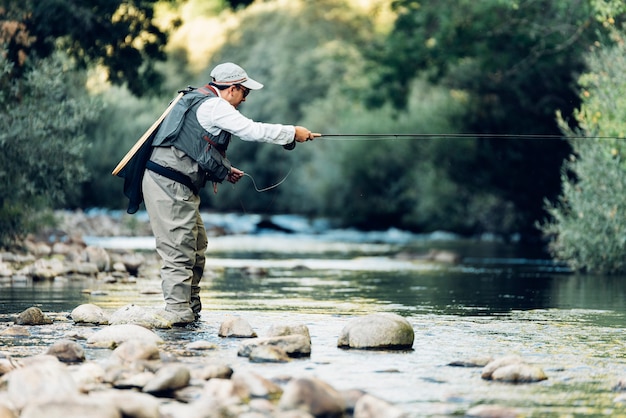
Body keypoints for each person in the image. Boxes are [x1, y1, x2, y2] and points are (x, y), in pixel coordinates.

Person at [142, 62, 320, 325]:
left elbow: (193, 145)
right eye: (245, 93)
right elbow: (252, 130)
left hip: (175, 182)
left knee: (197, 244)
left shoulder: (200, 100)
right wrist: (292, 132)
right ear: (232, 89)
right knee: (179, 249)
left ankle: (190, 310)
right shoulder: (215, 105)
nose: (245, 98)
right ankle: (178, 314)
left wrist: (223, 170)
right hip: (167, 182)